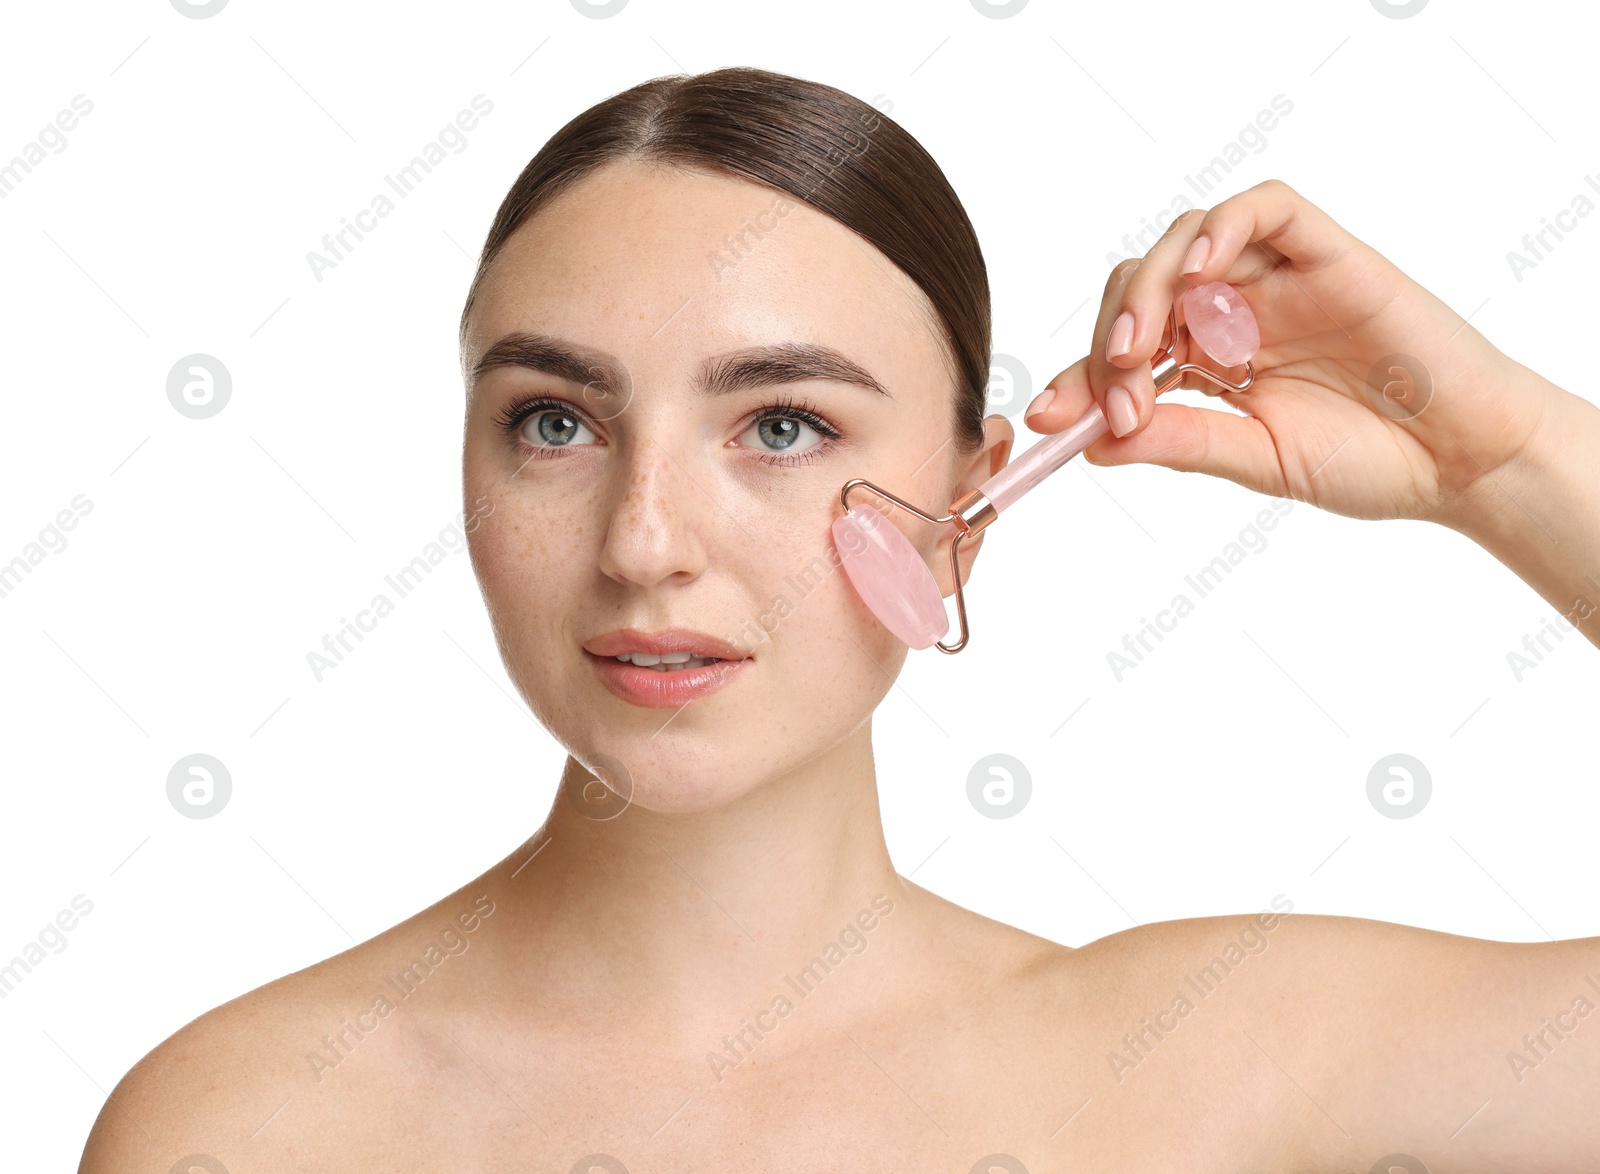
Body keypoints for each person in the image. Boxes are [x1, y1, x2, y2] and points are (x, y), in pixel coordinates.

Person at [80, 66, 1599, 1173]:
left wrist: (1503, 459)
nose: (645, 540)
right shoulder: (248, 1123)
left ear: (978, 501)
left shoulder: (1210, 1058)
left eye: (784, 425)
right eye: (554, 422)